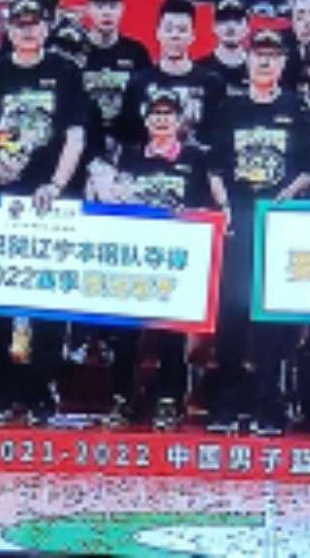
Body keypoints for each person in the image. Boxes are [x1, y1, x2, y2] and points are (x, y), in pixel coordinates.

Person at [0, 0, 88, 425]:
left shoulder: (65, 72)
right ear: (9, 28)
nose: (26, 30)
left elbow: (75, 135)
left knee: (48, 297)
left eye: (34, 23)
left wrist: (56, 184)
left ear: (46, 27)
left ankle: (42, 388)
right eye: (19, 24)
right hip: (3, 196)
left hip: (50, 198)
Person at [207, 29, 310, 436]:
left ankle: (269, 402)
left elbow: (309, 168)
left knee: (270, 316)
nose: (265, 62)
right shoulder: (230, 109)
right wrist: (225, 208)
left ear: (284, 62)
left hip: (278, 223)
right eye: (259, 54)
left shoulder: (295, 108)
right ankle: (227, 401)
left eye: (273, 55)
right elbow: (215, 169)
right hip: (238, 221)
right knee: (232, 313)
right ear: (248, 60)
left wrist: (286, 199)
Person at [90, 88, 218, 423]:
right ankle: (122, 398)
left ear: (180, 120)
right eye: (155, 114)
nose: (161, 120)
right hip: (136, 260)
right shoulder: (129, 157)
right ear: (145, 120)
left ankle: (169, 398)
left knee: (172, 332)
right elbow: (113, 202)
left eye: (168, 114)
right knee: (126, 333)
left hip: (177, 259)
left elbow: (207, 205)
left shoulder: (196, 159)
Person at [115, 0, 224, 150]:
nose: (175, 36)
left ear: (193, 35)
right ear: (158, 33)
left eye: (182, 30)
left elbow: (219, 139)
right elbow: (128, 141)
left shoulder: (212, 84)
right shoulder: (137, 84)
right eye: (169, 29)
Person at [82, 0, 151, 157]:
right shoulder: (75, 51)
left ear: (122, 9)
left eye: (112, 6)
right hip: (83, 146)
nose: (107, 13)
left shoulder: (137, 52)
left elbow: (146, 104)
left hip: (128, 147)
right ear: (88, 9)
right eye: (100, 6)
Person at [196, 0, 250, 95]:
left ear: (247, 28)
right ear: (214, 27)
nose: (230, 27)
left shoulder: (259, 68)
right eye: (224, 20)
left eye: (237, 20)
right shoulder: (199, 69)